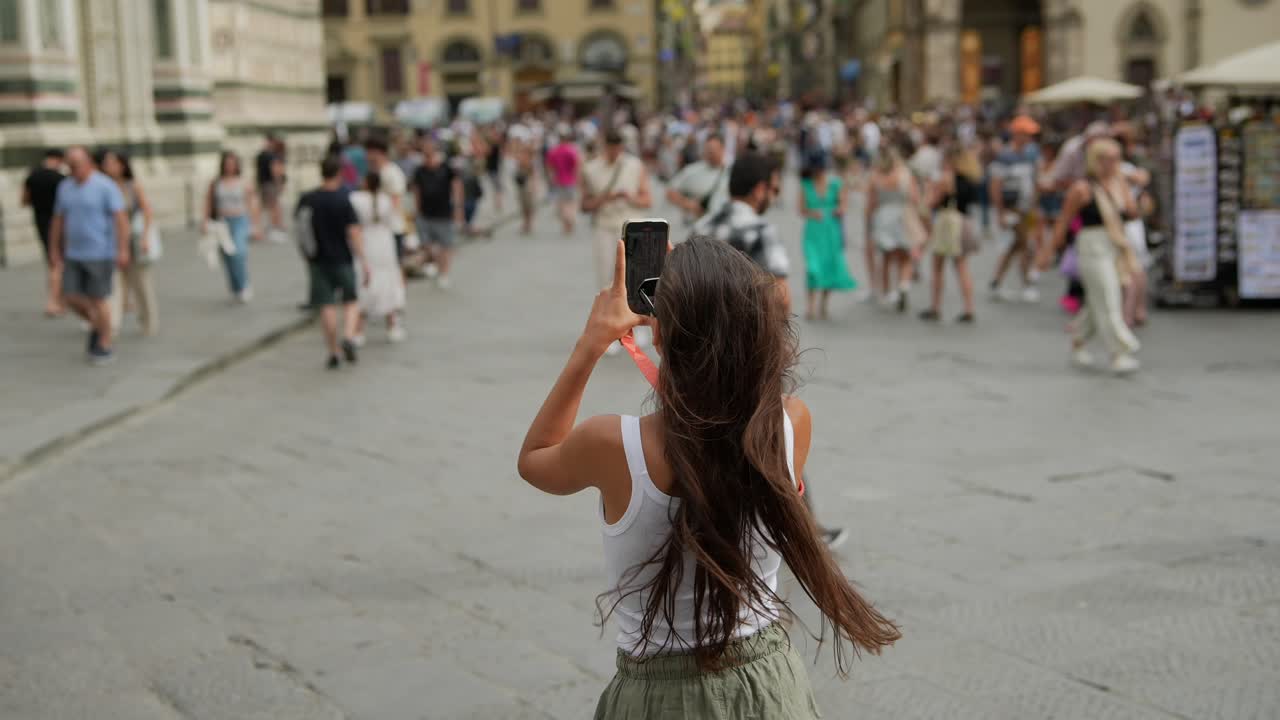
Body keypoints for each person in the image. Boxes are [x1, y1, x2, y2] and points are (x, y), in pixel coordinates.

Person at [516, 237, 900, 718]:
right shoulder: (790, 424)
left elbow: (534, 459)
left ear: (659, 336)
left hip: (656, 700)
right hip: (768, 688)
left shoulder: (614, 445)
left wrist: (591, 344)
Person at [1036, 138, 1142, 375]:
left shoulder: (1118, 183)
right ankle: (1119, 351)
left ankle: (1078, 340)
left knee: (1097, 303)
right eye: (1110, 159)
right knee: (1108, 296)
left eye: (1117, 158)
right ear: (1097, 160)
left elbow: (1132, 213)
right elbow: (1063, 221)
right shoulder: (1081, 189)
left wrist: (1137, 191)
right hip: (1092, 246)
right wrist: (1048, 252)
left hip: (1114, 245)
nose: (1115, 163)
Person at [47, 146, 129, 364]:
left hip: (100, 252)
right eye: (70, 166)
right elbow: (58, 220)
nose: (73, 170)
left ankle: (105, 341)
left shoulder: (105, 186)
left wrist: (123, 249)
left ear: (89, 163)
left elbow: (120, 219)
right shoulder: (65, 187)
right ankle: (97, 323)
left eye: (77, 165)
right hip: (74, 252)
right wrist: (54, 249)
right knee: (69, 296)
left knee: (98, 297)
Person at [580, 129, 652, 350]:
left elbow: (647, 199)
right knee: (607, 280)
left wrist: (631, 197)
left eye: (618, 147)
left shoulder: (634, 165)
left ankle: (637, 326)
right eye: (610, 147)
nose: (614, 151)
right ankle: (612, 333)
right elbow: (584, 205)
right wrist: (607, 198)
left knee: (637, 279)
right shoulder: (590, 169)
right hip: (605, 227)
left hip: (632, 227)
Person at [296, 156, 369, 369]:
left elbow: (300, 228)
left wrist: (305, 254)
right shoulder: (343, 199)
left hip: (317, 260)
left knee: (326, 305)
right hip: (342, 258)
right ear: (338, 173)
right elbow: (353, 231)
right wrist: (363, 259)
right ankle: (348, 336)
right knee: (350, 301)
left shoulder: (308, 198)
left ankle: (333, 350)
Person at [99, 150, 158, 336]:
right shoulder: (103, 187)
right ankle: (113, 326)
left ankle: (148, 322)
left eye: (111, 163)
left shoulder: (132, 186)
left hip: (134, 240)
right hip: (111, 241)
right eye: (105, 163)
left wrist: (145, 237)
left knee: (140, 284)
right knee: (114, 286)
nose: (107, 166)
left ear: (122, 165)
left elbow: (148, 212)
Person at [920, 146, 980, 323]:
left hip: (947, 223)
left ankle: (935, 306)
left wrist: (930, 189)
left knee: (937, 267)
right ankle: (969, 307)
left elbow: (930, 203)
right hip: (964, 222)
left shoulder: (946, 178)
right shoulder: (970, 178)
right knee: (962, 267)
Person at [989, 115, 1043, 303]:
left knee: (1017, 246)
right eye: (1026, 134)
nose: (1029, 138)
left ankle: (997, 281)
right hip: (1013, 208)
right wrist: (1001, 212)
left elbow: (1034, 181)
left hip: (1026, 207)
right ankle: (1026, 282)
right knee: (1024, 245)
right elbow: (996, 186)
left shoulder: (1030, 154)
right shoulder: (1005, 156)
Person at [798, 153, 856, 321]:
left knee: (829, 265)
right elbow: (801, 209)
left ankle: (823, 303)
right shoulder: (806, 185)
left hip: (831, 229)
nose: (819, 172)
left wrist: (839, 209)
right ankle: (810, 305)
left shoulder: (835, 184)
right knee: (812, 267)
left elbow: (844, 204)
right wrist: (811, 212)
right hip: (813, 231)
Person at [350, 171, 406, 345]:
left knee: (363, 281)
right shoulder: (386, 200)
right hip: (384, 243)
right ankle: (392, 325)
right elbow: (395, 218)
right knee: (388, 281)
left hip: (366, 241)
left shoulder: (356, 198)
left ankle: (359, 330)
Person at [865, 147, 924, 312]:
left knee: (886, 257)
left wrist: (869, 224)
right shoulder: (905, 174)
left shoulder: (876, 176)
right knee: (905, 256)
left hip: (883, 217)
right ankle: (903, 285)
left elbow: (871, 203)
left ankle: (887, 291)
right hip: (903, 216)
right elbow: (915, 198)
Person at [203, 151, 259, 303]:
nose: (230, 167)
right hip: (222, 223)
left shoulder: (243, 182)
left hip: (240, 220)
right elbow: (208, 202)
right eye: (227, 164)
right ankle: (235, 286)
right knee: (227, 256)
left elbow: (252, 203)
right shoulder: (216, 182)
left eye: (232, 164)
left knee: (238, 253)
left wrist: (254, 225)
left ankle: (244, 285)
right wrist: (205, 221)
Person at [411, 138, 464, 288]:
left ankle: (444, 273)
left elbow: (456, 186)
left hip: (443, 213)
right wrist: (417, 210)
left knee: (446, 246)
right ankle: (435, 264)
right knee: (426, 245)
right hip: (426, 214)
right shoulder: (420, 170)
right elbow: (417, 191)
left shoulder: (446, 168)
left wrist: (458, 208)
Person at [21, 148, 67, 316]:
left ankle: (58, 300)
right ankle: (54, 302)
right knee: (58, 263)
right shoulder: (62, 179)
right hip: (59, 224)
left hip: (40, 221)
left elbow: (24, 200)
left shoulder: (32, 176)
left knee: (52, 261)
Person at [665, 133, 729, 225]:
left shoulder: (731, 172)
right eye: (709, 150)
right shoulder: (692, 170)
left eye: (714, 150)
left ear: (723, 149)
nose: (711, 153)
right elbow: (670, 191)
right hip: (695, 225)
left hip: (719, 226)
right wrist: (687, 203)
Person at [364, 137, 409, 258]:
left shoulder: (392, 172)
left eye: (368, 152)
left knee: (395, 268)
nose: (366, 156)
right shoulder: (373, 172)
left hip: (392, 228)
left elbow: (396, 201)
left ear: (378, 152)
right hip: (378, 230)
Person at [545, 130, 582, 234]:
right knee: (571, 203)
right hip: (571, 180)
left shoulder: (554, 151)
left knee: (562, 203)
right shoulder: (571, 151)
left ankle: (566, 225)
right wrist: (579, 180)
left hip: (559, 180)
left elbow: (549, 167)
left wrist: (551, 179)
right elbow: (577, 166)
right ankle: (570, 221)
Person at [255, 134, 286, 241]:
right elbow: (275, 170)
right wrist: (279, 183)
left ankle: (271, 227)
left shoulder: (262, 154)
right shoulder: (270, 155)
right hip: (269, 184)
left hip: (264, 183)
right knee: (273, 206)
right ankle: (274, 228)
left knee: (267, 207)